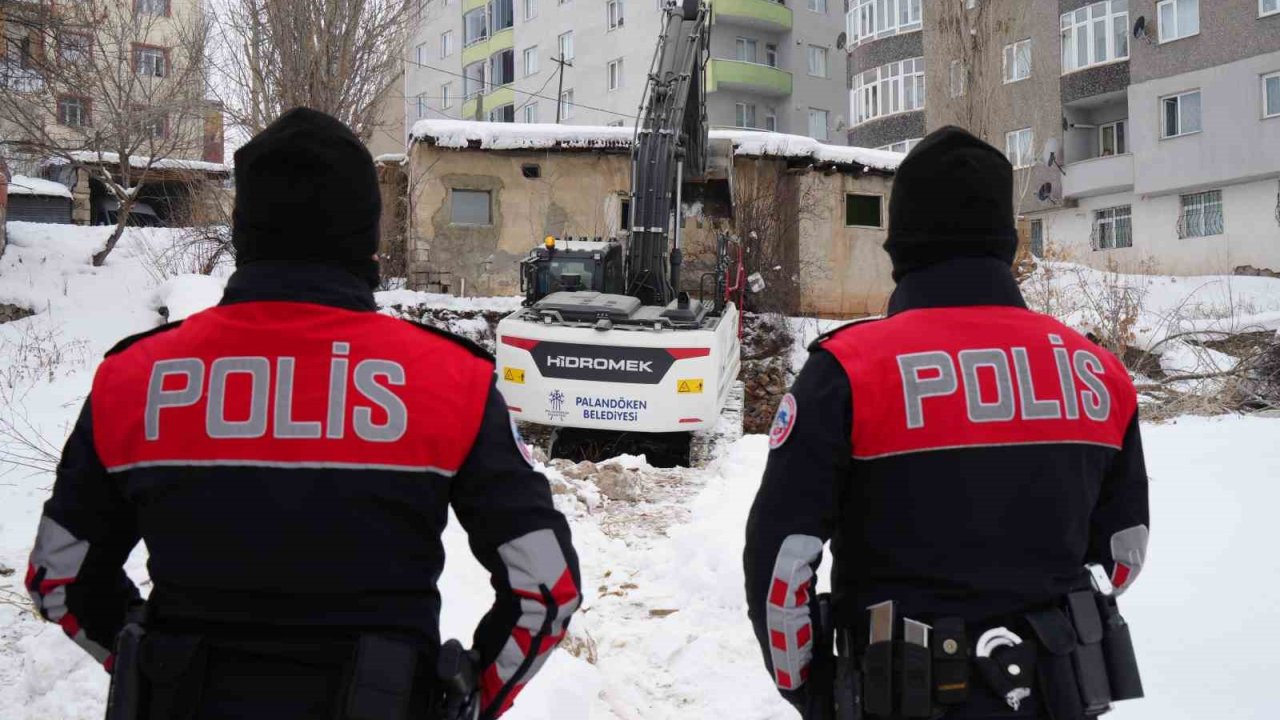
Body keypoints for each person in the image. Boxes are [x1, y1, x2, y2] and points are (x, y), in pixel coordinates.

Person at [25, 108, 581, 720]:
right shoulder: (452, 380)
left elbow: (61, 576)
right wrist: (469, 698)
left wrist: (147, 660)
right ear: (368, 237)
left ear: (242, 230)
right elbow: (544, 588)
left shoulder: (133, 379)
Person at [743, 126, 1149, 720]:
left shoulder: (848, 372)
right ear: (1005, 241)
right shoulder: (1099, 373)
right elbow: (1122, 555)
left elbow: (782, 568)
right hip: (1057, 691)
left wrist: (808, 686)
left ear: (900, 244)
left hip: (898, 694)